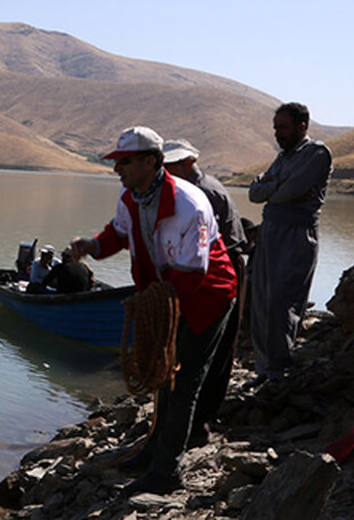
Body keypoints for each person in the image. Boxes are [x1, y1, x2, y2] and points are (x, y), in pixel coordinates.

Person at [71, 126, 237, 495]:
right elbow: (118, 232)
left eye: (125, 162)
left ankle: (166, 471)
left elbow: (193, 274)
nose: (118, 170)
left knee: (183, 382)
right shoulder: (130, 197)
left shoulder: (188, 205)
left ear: (152, 161)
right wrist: (93, 246)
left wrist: (154, 311)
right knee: (162, 379)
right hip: (167, 297)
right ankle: (151, 453)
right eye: (117, 162)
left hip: (206, 299)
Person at [162, 139, 247, 442]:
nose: (165, 173)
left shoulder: (202, 193)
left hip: (219, 271)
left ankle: (198, 425)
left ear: (187, 163)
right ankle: (192, 422)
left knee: (213, 349)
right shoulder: (194, 188)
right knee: (204, 347)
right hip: (209, 268)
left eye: (170, 166)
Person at [247, 102, 333, 385]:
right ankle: (264, 368)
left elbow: (293, 191)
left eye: (283, 127)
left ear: (302, 126)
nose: (277, 134)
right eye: (275, 128)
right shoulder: (283, 158)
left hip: (297, 235)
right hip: (269, 231)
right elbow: (254, 194)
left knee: (282, 303)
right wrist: (277, 186)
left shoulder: (317, 154)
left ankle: (279, 370)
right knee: (260, 301)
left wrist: (274, 186)